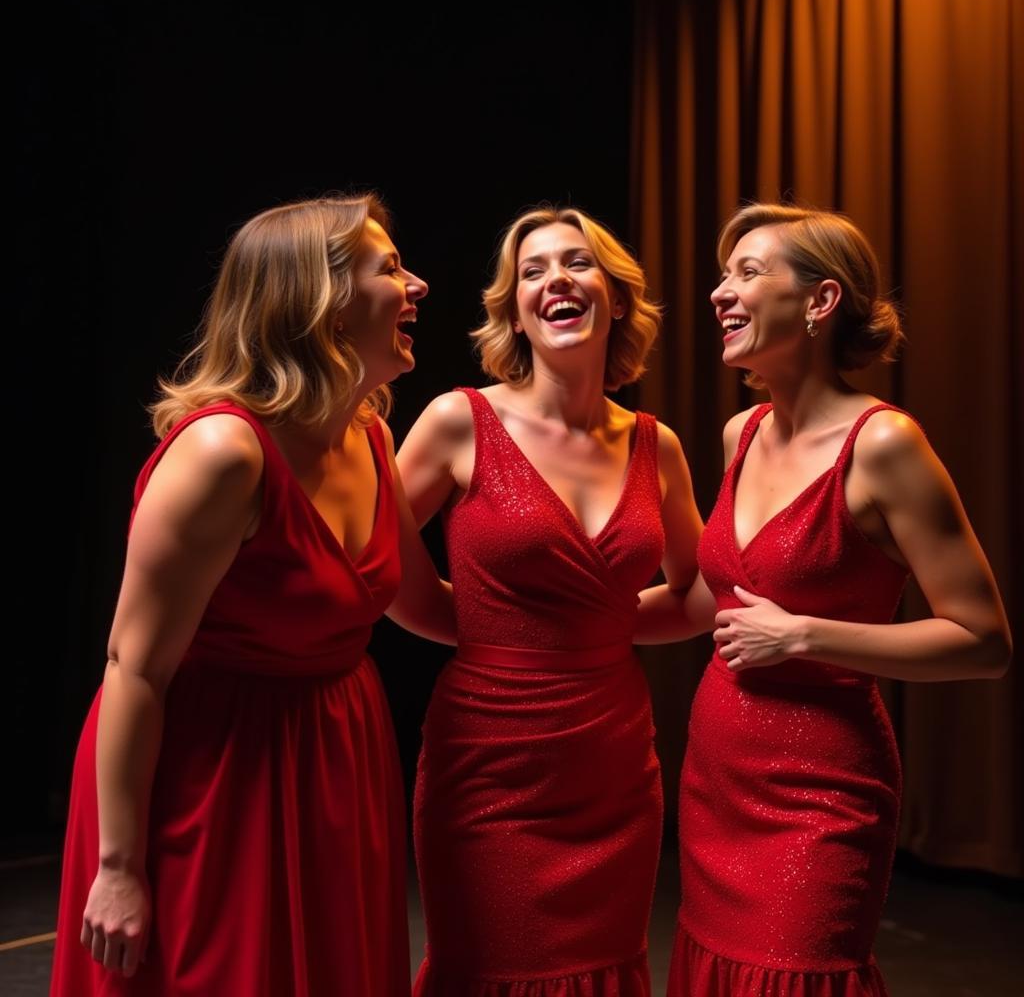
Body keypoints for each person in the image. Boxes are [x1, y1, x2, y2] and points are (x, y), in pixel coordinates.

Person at [50, 194, 453, 997]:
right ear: (320, 299)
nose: (419, 286)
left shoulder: (369, 432)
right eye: (390, 269)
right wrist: (120, 867)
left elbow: (422, 605)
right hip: (214, 773)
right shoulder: (223, 454)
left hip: (331, 760)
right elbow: (133, 670)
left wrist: (584, 631)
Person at [663, 202, 1012, 996]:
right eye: (724, 274)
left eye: (748, 273)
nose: (721, 292)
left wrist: (805, 637)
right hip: (718, 774)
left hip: (821, 789)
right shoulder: (738, 434)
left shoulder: (885, 445)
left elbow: (984, 640)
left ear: (820, 302)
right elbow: (708, 599)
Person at [397, 206, 704, 995]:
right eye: (533, 271)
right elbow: (378, 568)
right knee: (491, 966)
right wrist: (495, 637)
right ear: (515, 312)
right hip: (488, 764)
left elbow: (699, 595)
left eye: (576, 263)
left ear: (616, 296)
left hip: (612, 765)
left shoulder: (654, 444)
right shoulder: (458, 421)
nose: (556, 280)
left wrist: (596, 632)